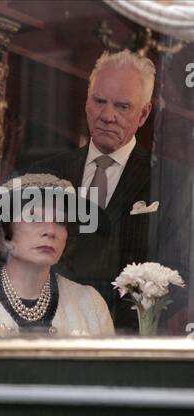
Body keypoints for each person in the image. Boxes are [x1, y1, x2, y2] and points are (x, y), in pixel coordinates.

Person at [32, 49, 192, 333]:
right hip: (47, 336)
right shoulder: (47, 174)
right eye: (99, 101)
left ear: (143, 114)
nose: (107, 115)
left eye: (122, 106)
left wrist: (116, 331)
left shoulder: (173, 182)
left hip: (125, 343)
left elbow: (181, 275)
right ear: (86, 101)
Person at [0, 173, 114, 339]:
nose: (50, 230)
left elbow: (107, 378)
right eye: (33, 217)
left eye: (60, 222)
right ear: (4, 230)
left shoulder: (89, 304)